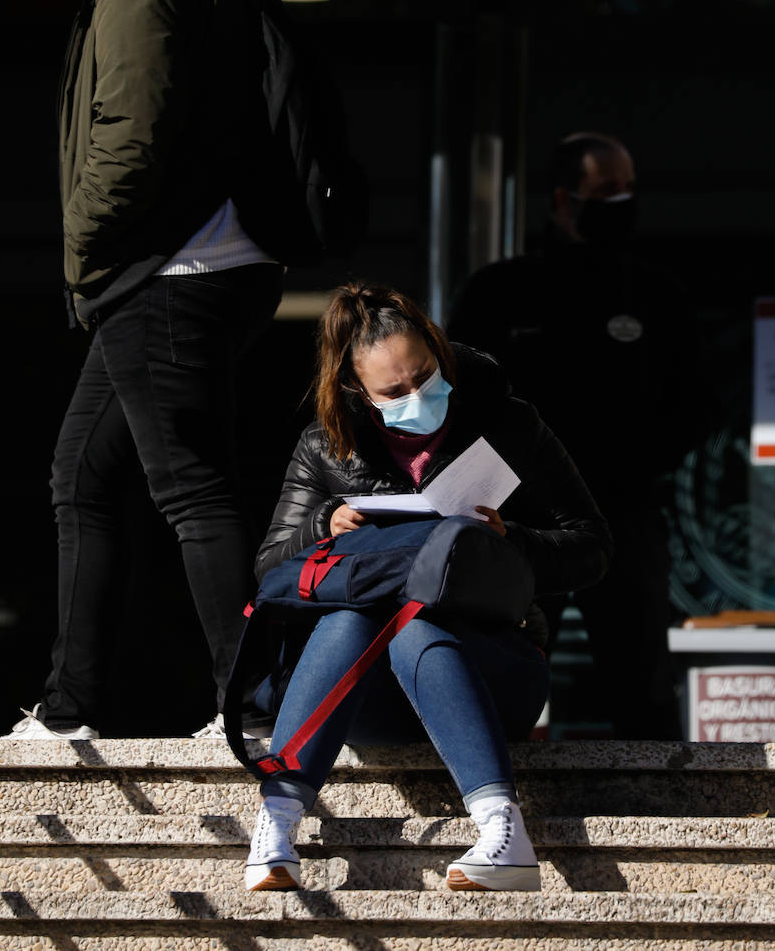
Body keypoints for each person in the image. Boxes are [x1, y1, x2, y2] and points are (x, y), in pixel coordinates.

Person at [2, 0, 288, 741]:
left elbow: (131, 129)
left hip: (169, 268)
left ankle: (258, 708)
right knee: (80, 475)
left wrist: (84, 250)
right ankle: (70, 706)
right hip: (198, 263)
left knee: (191, 489)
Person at [243, 281, 611, 893]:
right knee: (352, 618)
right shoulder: (324, 447)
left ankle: (501, 829)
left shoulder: (508, 424)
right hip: (366, 692)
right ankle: (277, 823)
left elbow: (593, 547)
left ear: (440, 352)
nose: (417, 395)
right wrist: (321, 526)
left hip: (493, 671)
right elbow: (270, 567)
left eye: (425, 374)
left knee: (416, 626)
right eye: (395, 390)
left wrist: (511, 539)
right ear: (359, 392)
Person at [448, 132, 706, 740]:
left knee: (640, 674)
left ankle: (659, 816)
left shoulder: (658, 295)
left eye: (629, 190)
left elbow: (694, 405)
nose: (622, 202)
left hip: (624, 513)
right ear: (564, 200)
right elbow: (458, 399)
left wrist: (633, 461)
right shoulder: (500, 292)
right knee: (503, 664)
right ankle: (496, 803)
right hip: (517, 516)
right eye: (606, 190)